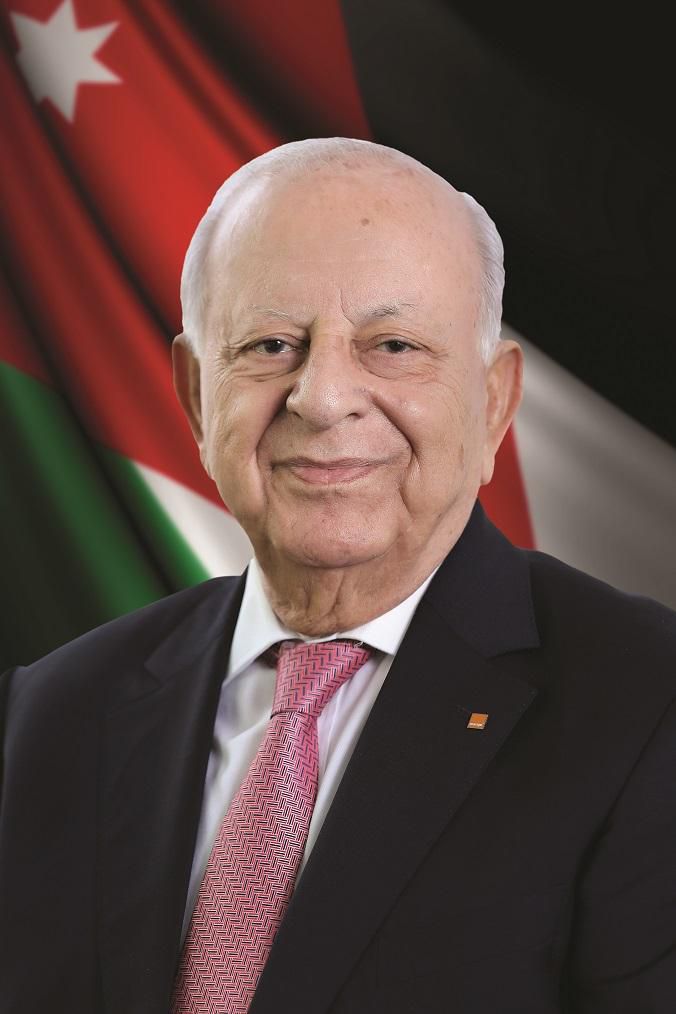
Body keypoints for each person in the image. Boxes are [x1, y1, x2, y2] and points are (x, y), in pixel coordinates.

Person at [1, 137, 674, 1014]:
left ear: (495, 402)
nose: (321, 398)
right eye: (272, 343)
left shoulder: (647, 705)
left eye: (392, 345)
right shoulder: (48, 717)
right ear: (197, 396)